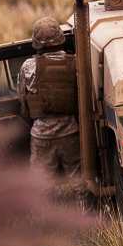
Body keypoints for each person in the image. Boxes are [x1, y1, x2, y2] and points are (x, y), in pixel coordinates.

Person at [18, 17, 80, 182]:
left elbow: (23, 103)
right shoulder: (75, 62)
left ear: (36, 42)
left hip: (41, 134)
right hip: (71, 130)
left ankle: (44, 209)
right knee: (77, 180)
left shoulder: (28, 67)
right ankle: (83, 208)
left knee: (41, 185)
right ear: (60, 38)